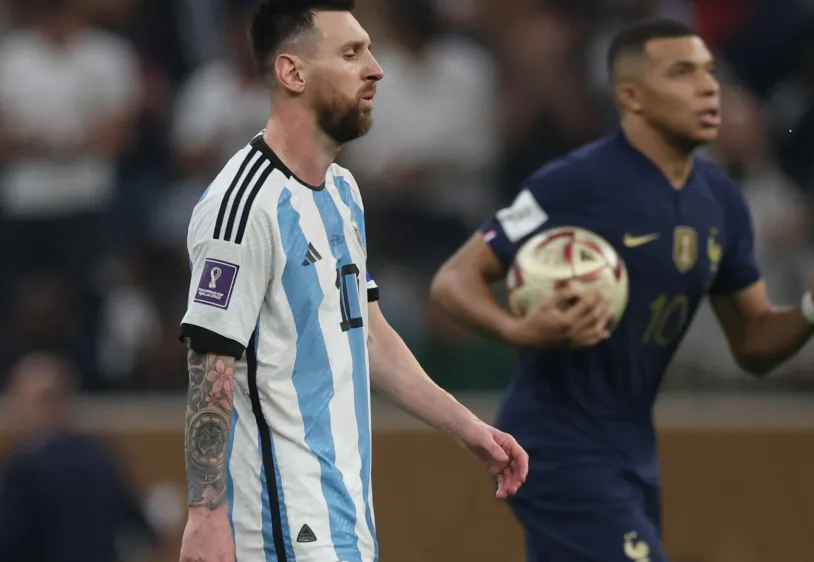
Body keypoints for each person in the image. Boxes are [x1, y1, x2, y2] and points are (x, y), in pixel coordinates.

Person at [429, 19, 814, 562]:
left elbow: (753, 342)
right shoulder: (579, 181)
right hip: (557, 442)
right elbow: (454, 280)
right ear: (631, 96)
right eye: (682, 73)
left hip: (631, 446)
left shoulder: (720, 201)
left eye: (710, 73)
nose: (708, 87)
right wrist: (515, 327)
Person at [176, 2, 528, 561]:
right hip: (278, 524)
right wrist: (205, 515)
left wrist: (466, 426)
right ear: (293, 73)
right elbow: (209, 364)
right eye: (351, 53)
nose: (376, 68)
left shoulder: (341, 191)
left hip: (343, 515)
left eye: (368, 49)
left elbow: (366, 333)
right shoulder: (243, 207)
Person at [0, 352, 158, 562]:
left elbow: (9, 542)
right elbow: (140, 531)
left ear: (44, 403)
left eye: (17, 398)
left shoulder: (26, 468)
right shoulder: (100, 458)